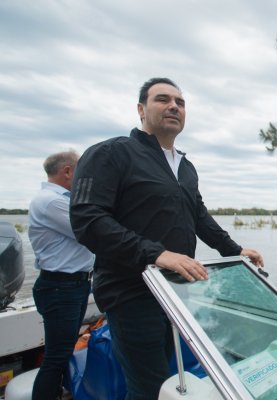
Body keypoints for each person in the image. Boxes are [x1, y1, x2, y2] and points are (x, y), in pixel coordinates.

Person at [70, 77, 264, 400]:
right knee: (149, 388)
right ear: (141, 109)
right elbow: (87, 220)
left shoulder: (185, 167)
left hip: (176, 294)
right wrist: (156, 254)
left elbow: (198, 216)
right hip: (131, 292)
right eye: (163, 99)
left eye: (180, 102)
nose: (174, 106)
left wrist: (236, 249)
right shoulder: (111, 154)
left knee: (166, 383)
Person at [28, 150, 95, 400]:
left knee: (62, 352)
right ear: (68, 172)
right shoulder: (51, 201)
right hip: (61, 288)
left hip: (73, 286)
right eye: (82, 171)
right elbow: (89, 229)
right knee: (56, 357)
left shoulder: (59, 200)